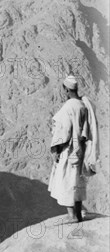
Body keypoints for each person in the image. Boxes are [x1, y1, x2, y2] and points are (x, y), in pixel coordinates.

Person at [48, 75, 98, 222]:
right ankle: (78, 213)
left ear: (66, 89)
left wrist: (57, 149)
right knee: (77, 180)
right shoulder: (83, 105)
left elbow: (63, 131)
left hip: (69, 150)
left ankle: (72, 216)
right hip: (81, 150)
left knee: (67, 180)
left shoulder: (69, 106)